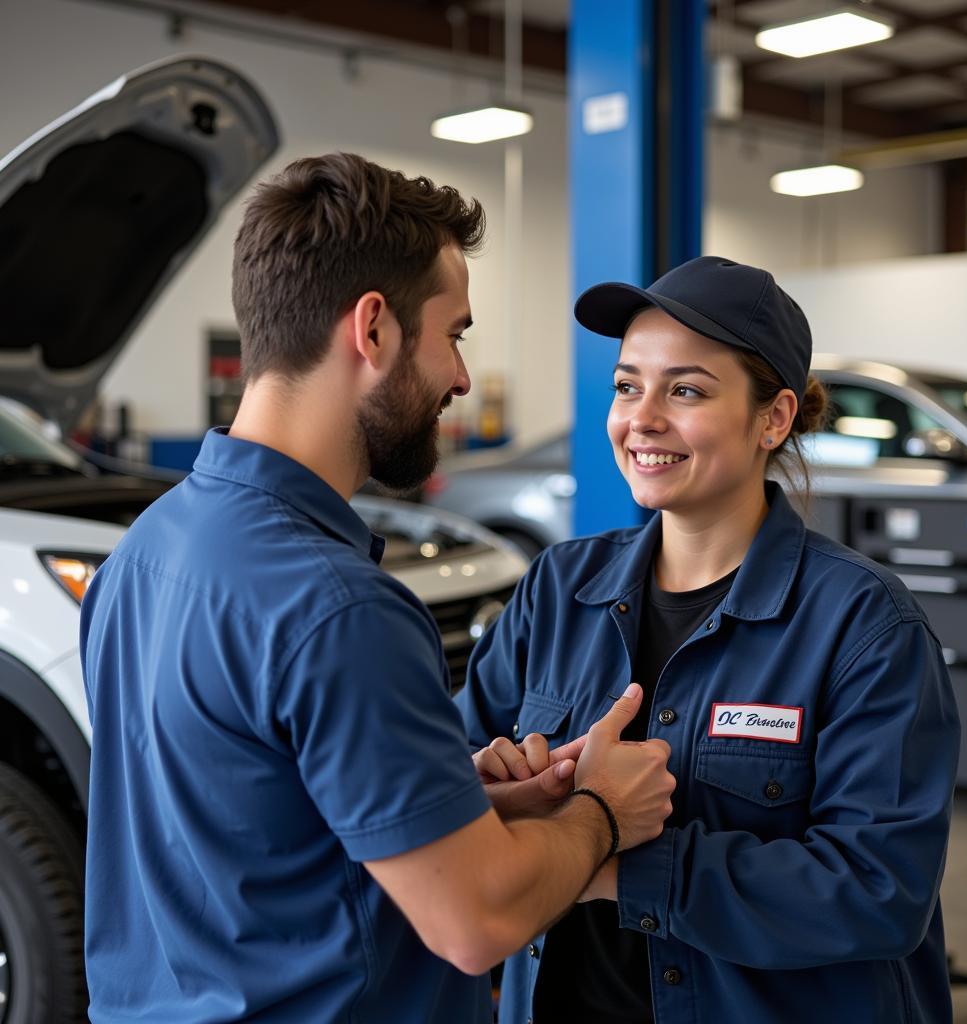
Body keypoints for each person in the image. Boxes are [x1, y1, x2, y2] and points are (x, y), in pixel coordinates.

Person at [79, 152, 676, 1023]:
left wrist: (448, 793)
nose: (463, 379)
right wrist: (601, 812)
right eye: (455, 334)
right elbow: (479, 920)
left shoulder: (143, 554)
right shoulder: (339, 609)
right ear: (374, 329)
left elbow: (233, 820)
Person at [457, 255, 961, 1024]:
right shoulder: (556, 591)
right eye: (628, 385)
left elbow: (878, 892)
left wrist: (597, 854)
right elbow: (447, 782)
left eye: (685, 389)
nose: (642, 418)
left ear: (774, 418)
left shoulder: (864, 627)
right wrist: (492, 782)